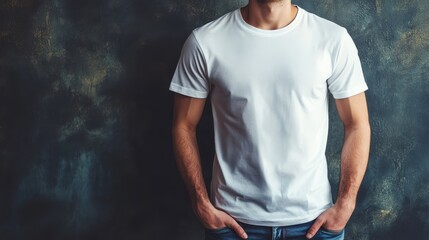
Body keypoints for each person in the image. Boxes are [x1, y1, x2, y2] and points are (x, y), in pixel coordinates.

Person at [169, 0, 371, 239]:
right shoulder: (206, 42)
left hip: (314, 223)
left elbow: (357, 124)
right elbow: (183, 125)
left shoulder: (333, 39)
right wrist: (200, 202)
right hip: (233, 224)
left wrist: (346, 203)